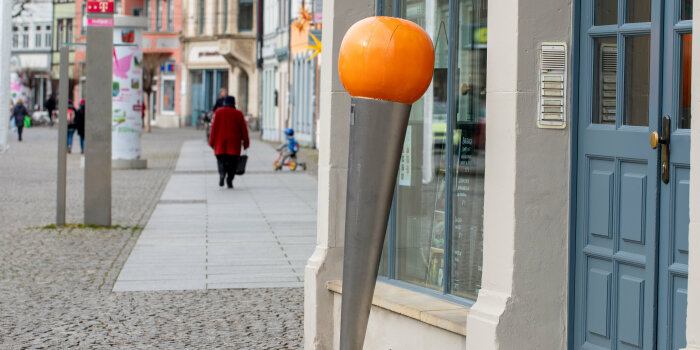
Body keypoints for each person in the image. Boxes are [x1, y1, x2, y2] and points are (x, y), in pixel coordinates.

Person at [209, 96, 249, 189]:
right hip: (234, 144)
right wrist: (246, 143)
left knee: (221, 161)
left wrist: (211, 142)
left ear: (224, 103)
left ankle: (222, 173)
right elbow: (244, 130)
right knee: (232, 163)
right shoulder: (238, 114)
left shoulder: (218, 112)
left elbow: (213, 128)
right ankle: (229, 180)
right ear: (234, 103)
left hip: (220, 143)